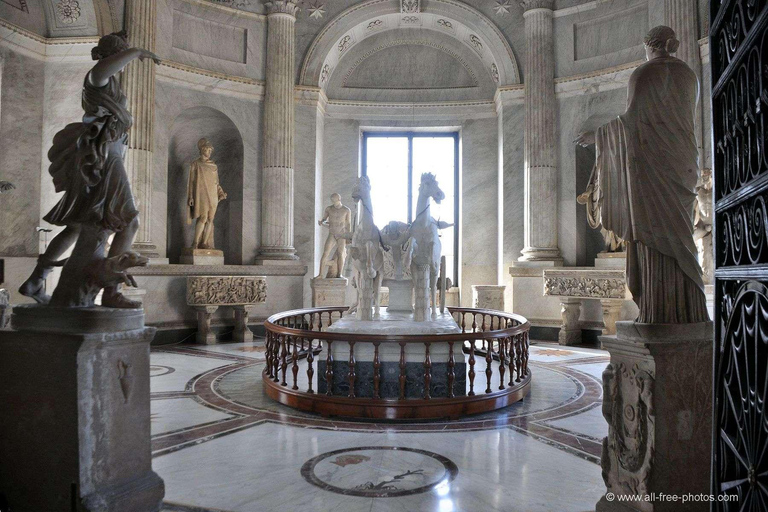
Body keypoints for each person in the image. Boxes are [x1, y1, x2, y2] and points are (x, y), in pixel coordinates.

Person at [574, 25, 708, 323]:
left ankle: (658, 312)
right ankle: (688, 312)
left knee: (654, 235)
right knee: (681, 235)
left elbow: (632, 123)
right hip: (683, 162)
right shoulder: (689, 75)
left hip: (654, 169)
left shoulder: (644, 74)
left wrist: (598, 136)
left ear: (651, 46)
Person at [19, 31, 160, 308]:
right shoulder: (97, 78)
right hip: (104, 156)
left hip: (105, 153)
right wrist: (137, 52)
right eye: (121, 52)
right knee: (129, 220)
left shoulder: (111, 84)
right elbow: (102, 69)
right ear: (112, 55)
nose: (124, 56)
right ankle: (111, 293)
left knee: (76, 226)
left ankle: (36, 279)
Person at [187, 138, 227, 250]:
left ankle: (204, 242)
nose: (209, 152)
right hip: (202, 194)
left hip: (213, 195)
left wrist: (221, 193)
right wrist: (190, 196)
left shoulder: (214, 166)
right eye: (208, 150)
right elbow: (191, 181)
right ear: (202, 149)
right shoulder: (196, 164)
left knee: (211, 219)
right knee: (203, 218)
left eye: (210, 150)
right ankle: (195, 243)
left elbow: (216, 182)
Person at [316, 193, 352, 278]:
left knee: (340, 253)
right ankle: (320, 274)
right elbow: (324, 219)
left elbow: (348, 224)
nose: (334, 202)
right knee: (325, 253)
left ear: (339, 199)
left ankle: (340, 274)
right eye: (333, 200)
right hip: (332, 233)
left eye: (335, 200)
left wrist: (348, 236)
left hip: (341, 235)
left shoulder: (346, 210)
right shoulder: (329, 209)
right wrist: (322, 222)